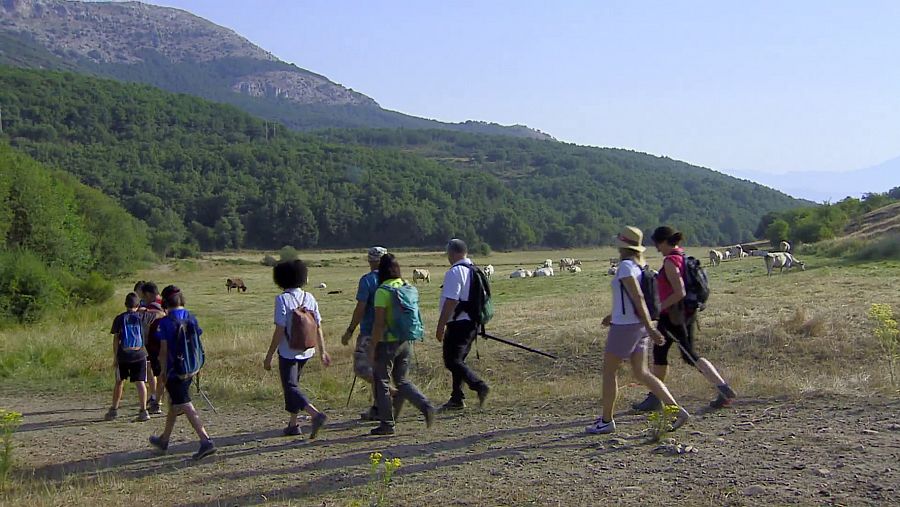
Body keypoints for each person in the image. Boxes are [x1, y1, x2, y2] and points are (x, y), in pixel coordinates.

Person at [587, 227, 690, 434]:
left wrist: (650, 328)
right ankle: (676, 410)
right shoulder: (641, 265)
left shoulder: (625, 266)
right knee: (642, 372)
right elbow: (633, 298)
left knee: (609, 372)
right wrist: (616, 316)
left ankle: (606, 420)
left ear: (623, 245)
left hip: (626, 327)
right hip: (638, 325)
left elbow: (638, 298)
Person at [633, 226, 737, 412]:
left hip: (674, 316)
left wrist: (658, 308)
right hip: (682, 314)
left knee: (688, 355)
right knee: (661, 354)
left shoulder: (671, 262)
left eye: (657, 243)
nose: (656, 247)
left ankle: (723, 389)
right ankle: (656, 396)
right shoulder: (682, 257)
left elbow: (679, 292)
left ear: (663, 242)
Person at [368, 254, 435, 436]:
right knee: (402, 380)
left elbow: (379, 323)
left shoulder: (382, 291)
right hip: (406, 340)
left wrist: (372, 345)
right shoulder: (407, 286)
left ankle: (387, 424)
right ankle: (425, 405)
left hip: (387, 342)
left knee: (381, 381)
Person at [264, 260, 331, 439]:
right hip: (307, 350)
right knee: (294, 386)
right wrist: (323, 351)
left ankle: (315, 414)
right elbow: (318, 326)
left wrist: (269, 355)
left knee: (290, 387)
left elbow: (279, 329)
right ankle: (293, 424)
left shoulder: (282, 299)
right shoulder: (310, 297)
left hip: (288, 351)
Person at [148, 286, 216, 460]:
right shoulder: (191, 317)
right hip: (191, 366)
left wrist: (162, 372)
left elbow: (163, 351)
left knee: (184, 403)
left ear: (165, 302)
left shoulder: (165, 322)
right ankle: (164, 439)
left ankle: (205, 440)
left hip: (174, 370)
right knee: (175, 403)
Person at [435, 238, 489, 411]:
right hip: (472, 322)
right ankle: (457, 397)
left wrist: (440, 325)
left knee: (452, 361)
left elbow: (451, 300)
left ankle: (479, 386)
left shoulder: (455, 271)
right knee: (458, 360)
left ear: (452, 252)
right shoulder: (474, 269)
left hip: (459, 323)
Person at [341, 246, 388, 421]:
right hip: (391, 333)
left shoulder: (368, 280)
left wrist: (350, 330)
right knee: (380, 369)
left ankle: (392, 393)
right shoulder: (393, 279)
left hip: (369, 331)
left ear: (370, 261)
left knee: (362, 369)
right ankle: (378, 407)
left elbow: (360, 307)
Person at [105, 292, 157, 422]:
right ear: (138, 305)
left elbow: (116, 339)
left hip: (123, 355)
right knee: (140, 382)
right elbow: (158, 314)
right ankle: (143, 410)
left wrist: (115, 357)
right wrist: (145, 309)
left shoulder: (119, 318)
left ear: (125, 304)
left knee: (119, 382)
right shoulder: (143, 317)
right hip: (140, 354)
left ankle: (114, 410)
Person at [140, 282, 166, 415]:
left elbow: (146, 327)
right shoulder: (165, 302)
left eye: (143, 295)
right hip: (165, 343)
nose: (142, 298)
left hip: (155, 345)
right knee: (162, 374)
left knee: (158, 374)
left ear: (148, 294)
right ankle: (158, 400)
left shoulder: (152, 307)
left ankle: (157, 400)